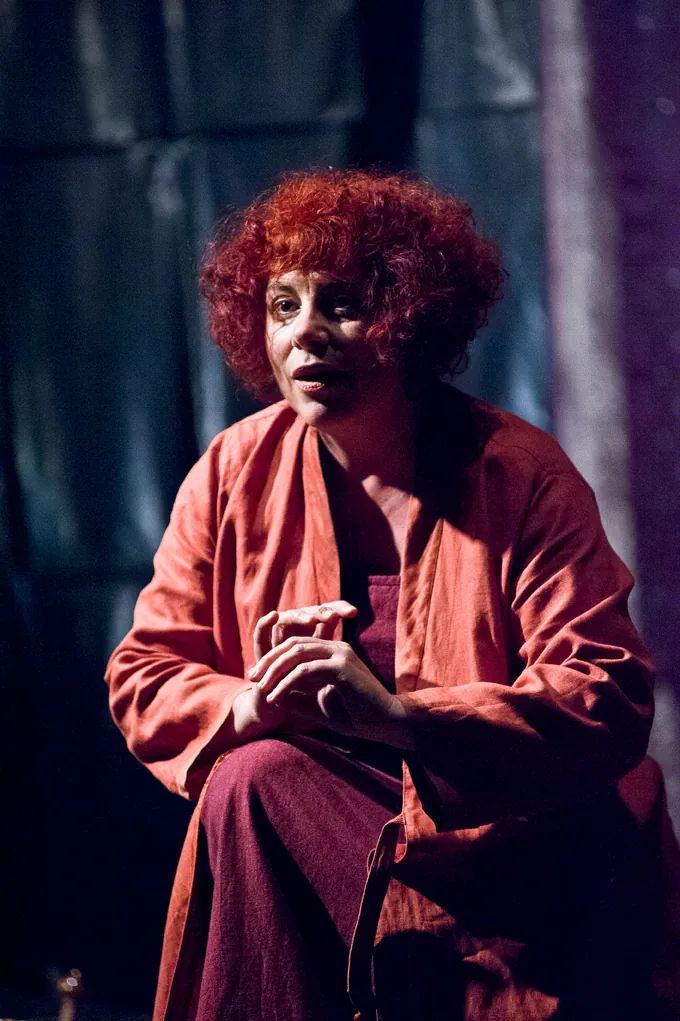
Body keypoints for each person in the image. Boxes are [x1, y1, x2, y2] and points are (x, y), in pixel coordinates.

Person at [106, 170, 673, 1021]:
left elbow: (605, 693)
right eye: (283, 306)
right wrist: (254, 703)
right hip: (320, 838)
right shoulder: (230, 473)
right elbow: (145, 674)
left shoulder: (518, 473)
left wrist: (400, 718)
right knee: (254, 774)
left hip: (515, 851)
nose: (306, 334)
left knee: (256, 783)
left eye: (341, 304)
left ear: (410, 318)